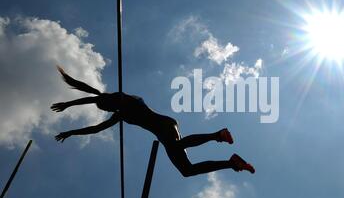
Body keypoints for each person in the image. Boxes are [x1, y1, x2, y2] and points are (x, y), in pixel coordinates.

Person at [51, 66, 255, 176]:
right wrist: (71, 133)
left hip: (166, 125)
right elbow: (96, 128)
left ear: (109, 100)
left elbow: (95, 96)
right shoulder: (119, 114)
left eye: (106, 106)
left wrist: (69, 104)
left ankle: (217, 135)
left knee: (176, 145)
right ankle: (232, 163)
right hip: (164, 133)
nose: (108, 109)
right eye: (107, 109)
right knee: (187, 170)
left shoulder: (126, 99)